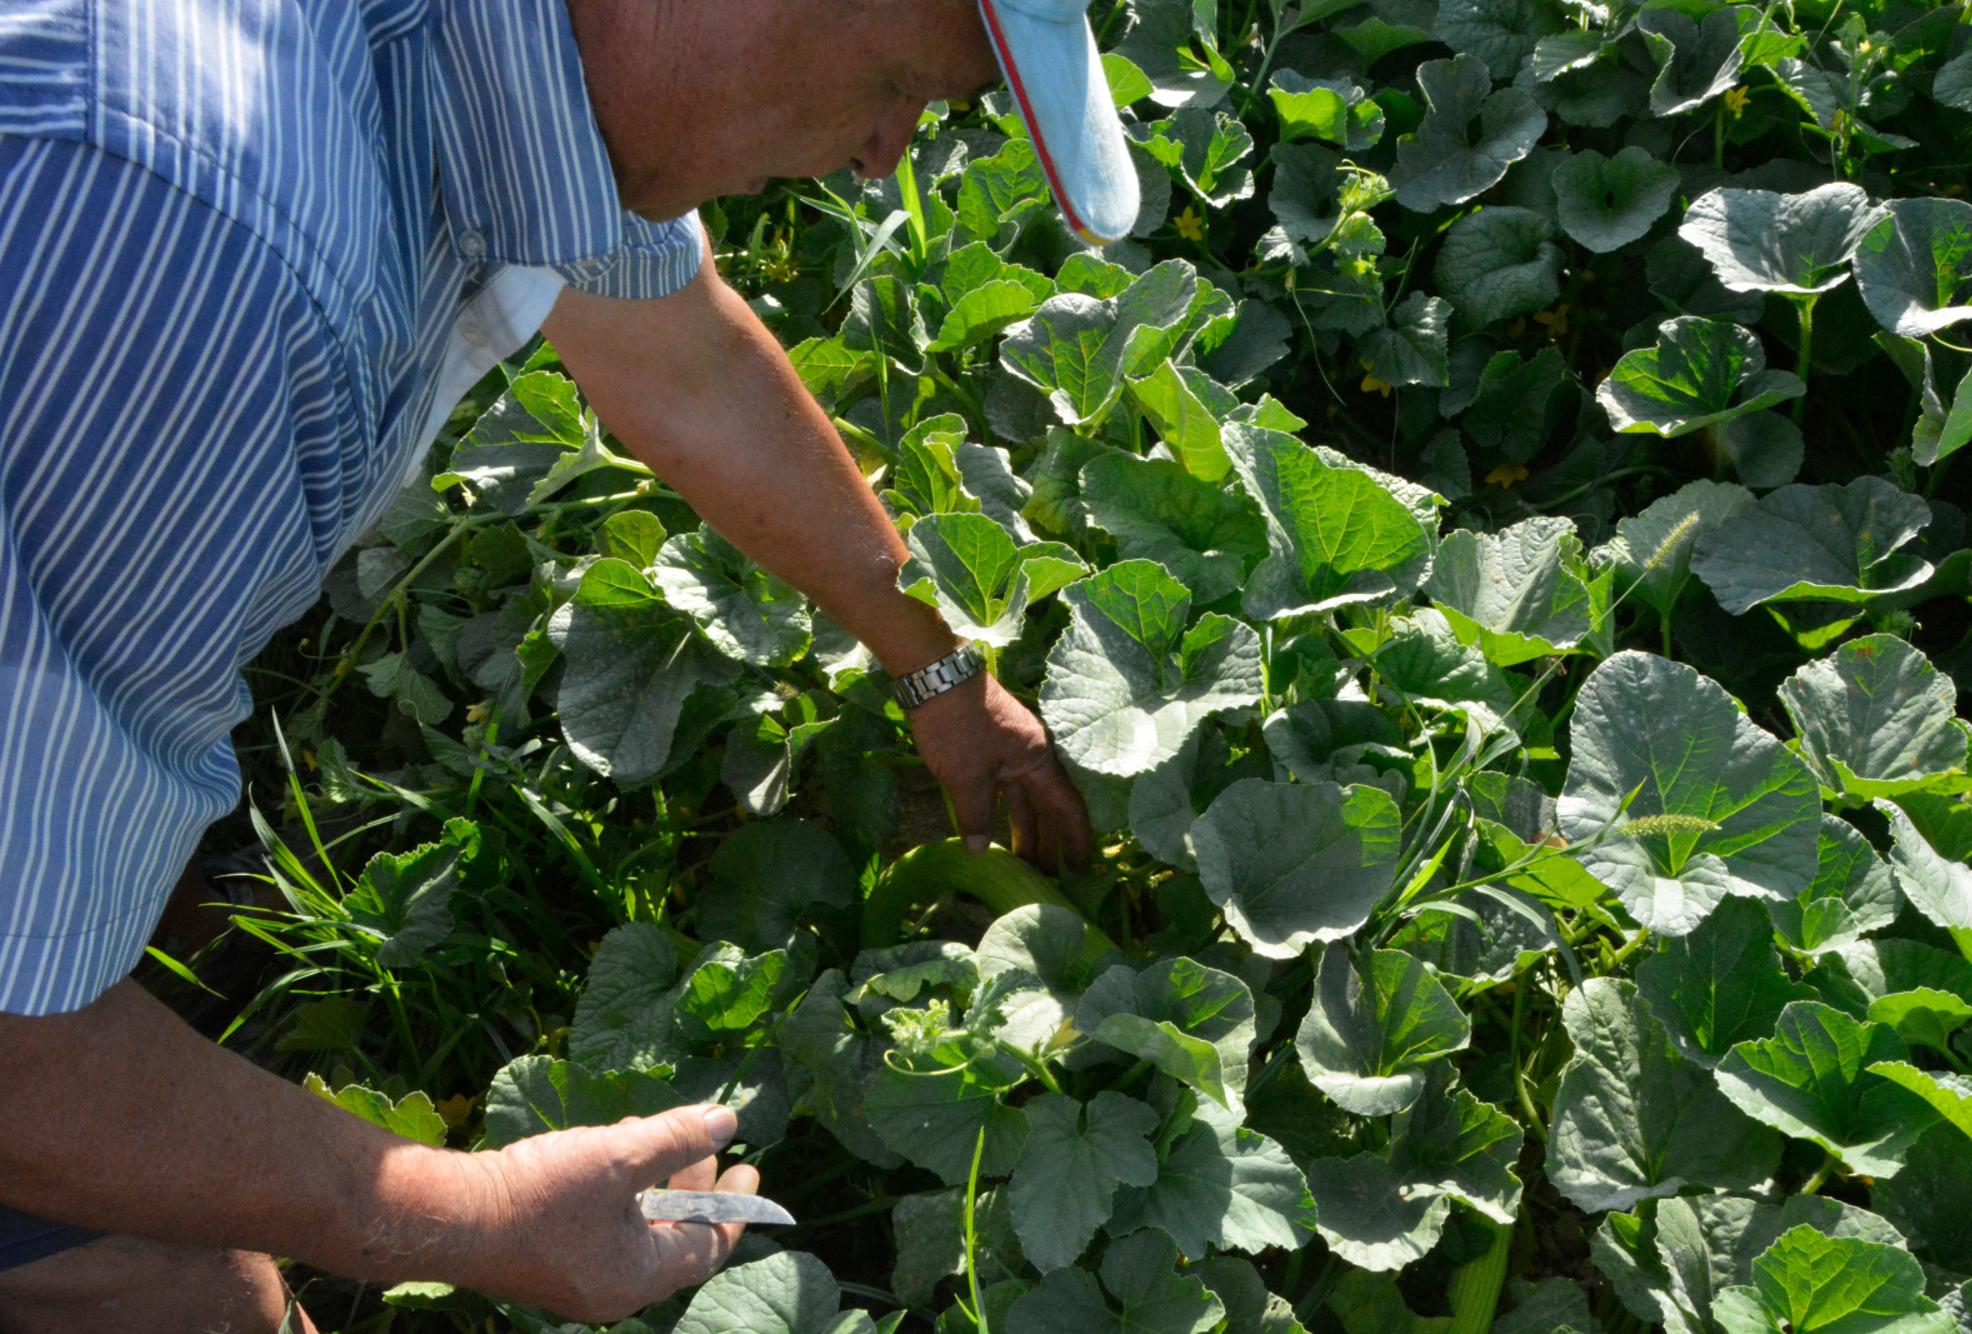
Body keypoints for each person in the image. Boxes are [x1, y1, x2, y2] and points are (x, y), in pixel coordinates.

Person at [0, 0, 1139, 1326]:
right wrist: (456, 1210)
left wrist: (944, 676)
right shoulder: (202, 264)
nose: (887, 159)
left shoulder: (537, 69)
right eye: (898, 85)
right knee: (194, 1294)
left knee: (119, 933)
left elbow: (689, 365)